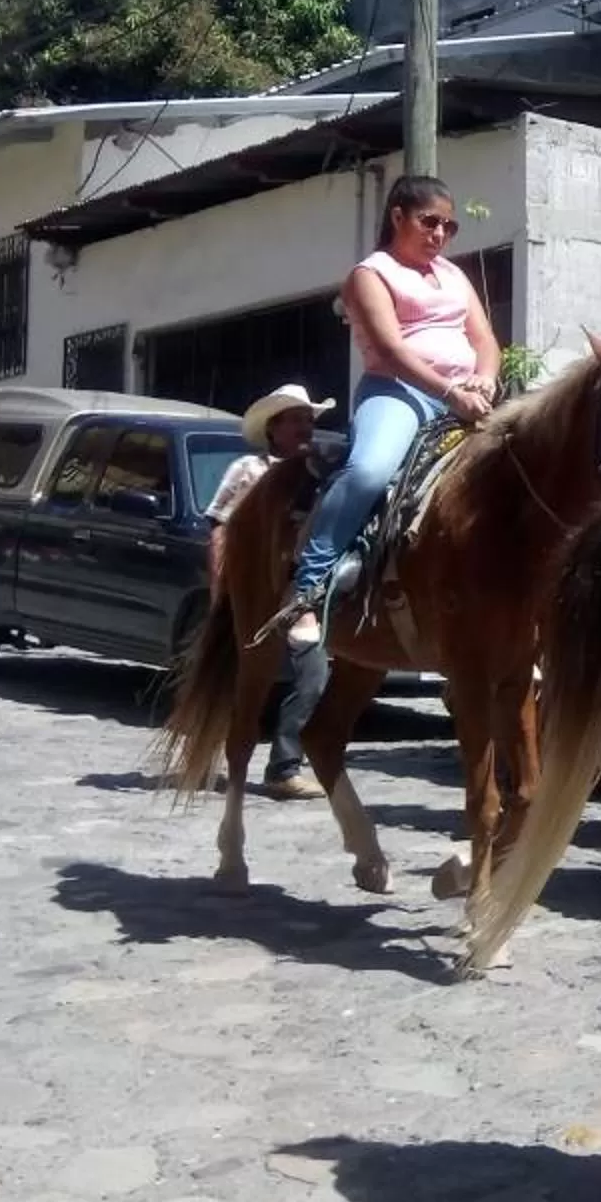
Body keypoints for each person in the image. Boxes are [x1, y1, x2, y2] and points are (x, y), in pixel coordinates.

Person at [286, 175, 502, 648]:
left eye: (449, 226)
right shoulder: (371, 274)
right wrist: (451, 392)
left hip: (468, 395)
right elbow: (391, 349)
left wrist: (485, 376)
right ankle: (307, 589)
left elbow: (485, 339)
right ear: (398, 216)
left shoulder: (453, 275)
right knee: (370, 471)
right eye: (429, 222)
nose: (440, 234)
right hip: (398, 392)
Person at [207, 384, 333, 799]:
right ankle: (217, 746)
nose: (305, 427)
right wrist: (221, 587)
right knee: (238, 678)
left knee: (313, 673)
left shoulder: (319, 474)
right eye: (295, 420)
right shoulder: (248, 469)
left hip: (298, 590)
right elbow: (220, 528)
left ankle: (284, 766)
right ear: (273, 428)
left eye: (308, 419)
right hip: (254, 591)